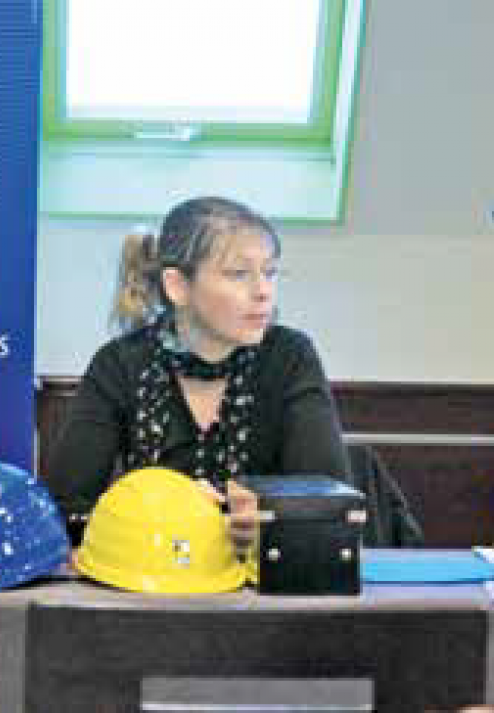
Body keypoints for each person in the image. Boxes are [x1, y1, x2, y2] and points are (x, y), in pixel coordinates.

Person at [46, 196, 351, 543]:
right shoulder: (120, 363)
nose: (264, 291)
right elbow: (66, 508)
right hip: (153, 582)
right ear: (177, 286)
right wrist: (162, 514)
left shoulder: (291, 356)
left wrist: (269, 519)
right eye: (238, 274)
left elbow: (329, 503)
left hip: (265, 583)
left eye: (270, 272)